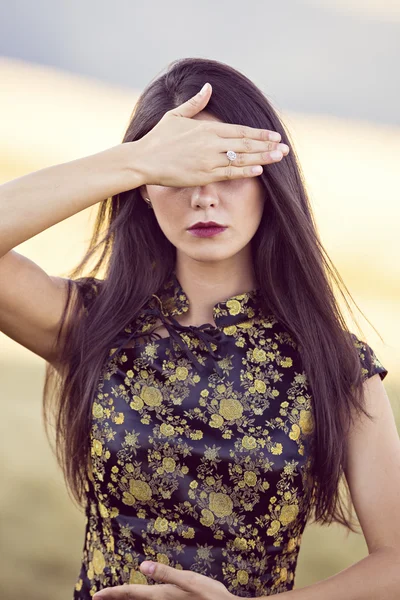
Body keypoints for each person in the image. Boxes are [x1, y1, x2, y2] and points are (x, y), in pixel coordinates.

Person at [0, 57, 397, 600]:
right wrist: (135, 159)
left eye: (228, 168)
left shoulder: (335, 363)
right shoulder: (93, 325)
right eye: (179, 174)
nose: (204, 196)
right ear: (143, 187)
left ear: (268, 179)